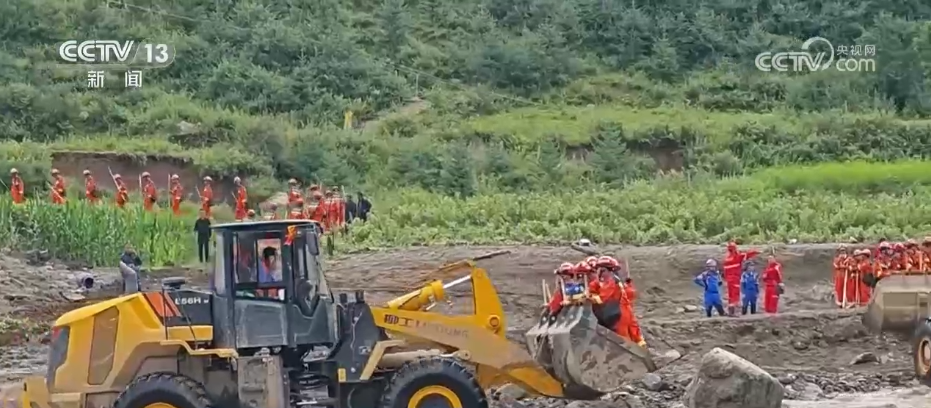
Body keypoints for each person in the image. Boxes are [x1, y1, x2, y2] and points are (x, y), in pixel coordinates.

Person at [722, 242, 759, 316]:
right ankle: (733, 312)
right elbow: (748, 254)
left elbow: (724, 272)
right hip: (735, 279)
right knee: (735, 296)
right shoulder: (737, 257)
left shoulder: (726, 259)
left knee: (731, 295)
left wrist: (726, 279)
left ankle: (730, 312)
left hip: (729, 280)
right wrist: (756, 251)